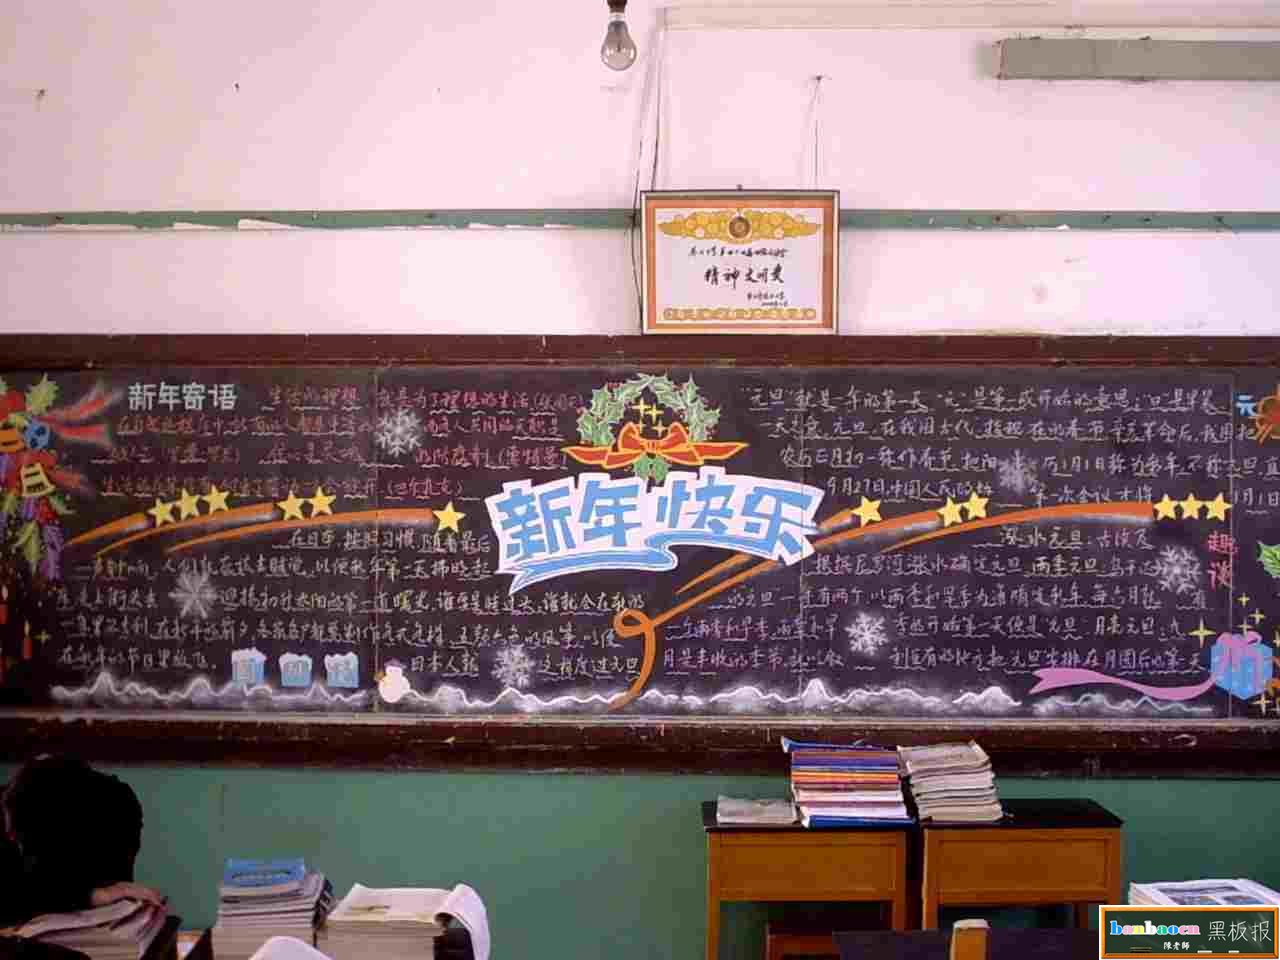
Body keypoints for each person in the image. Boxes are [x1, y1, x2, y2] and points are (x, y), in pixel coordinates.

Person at [0, 755, 164, 928]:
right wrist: (94, 896)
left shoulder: (114, 813)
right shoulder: (23, 813)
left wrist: (104, 895)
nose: (11, 835)